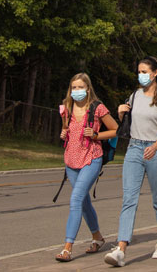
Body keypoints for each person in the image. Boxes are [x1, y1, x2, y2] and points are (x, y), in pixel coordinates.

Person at [103, 56, 157, 267]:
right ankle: (121, 249)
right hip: (134, 149)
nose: (141, 75)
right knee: (129, 199)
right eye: (139, 72)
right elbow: (127, 125)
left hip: (156, 149)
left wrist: (155, 146)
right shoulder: (135, 95)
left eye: (144, 72)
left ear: (155, 73)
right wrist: (120, 113)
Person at [55, 73, 118, 263]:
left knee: (76, 199)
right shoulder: (66, 107)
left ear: (88, 89)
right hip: (71, 160)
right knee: (83, 201)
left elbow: (115, 130)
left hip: (91, 158)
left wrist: (96, 135)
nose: (77, 91)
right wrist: (63, 133)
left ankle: (67, 247)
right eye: (74, 87)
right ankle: (97, 237)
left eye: (80, 87)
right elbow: (67, 131)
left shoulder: (97, 107)